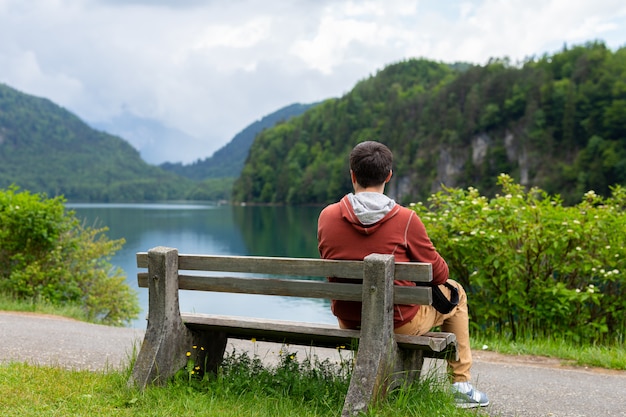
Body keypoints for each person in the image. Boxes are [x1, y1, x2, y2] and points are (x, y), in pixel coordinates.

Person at [317, 140, 489, 409]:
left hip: (349, 318)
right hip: (399, 322)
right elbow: (439, 273)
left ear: (352, 174)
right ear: (388, 176)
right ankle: (460, 385)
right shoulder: (406, 219)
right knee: (457, 293)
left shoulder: (327, 216)